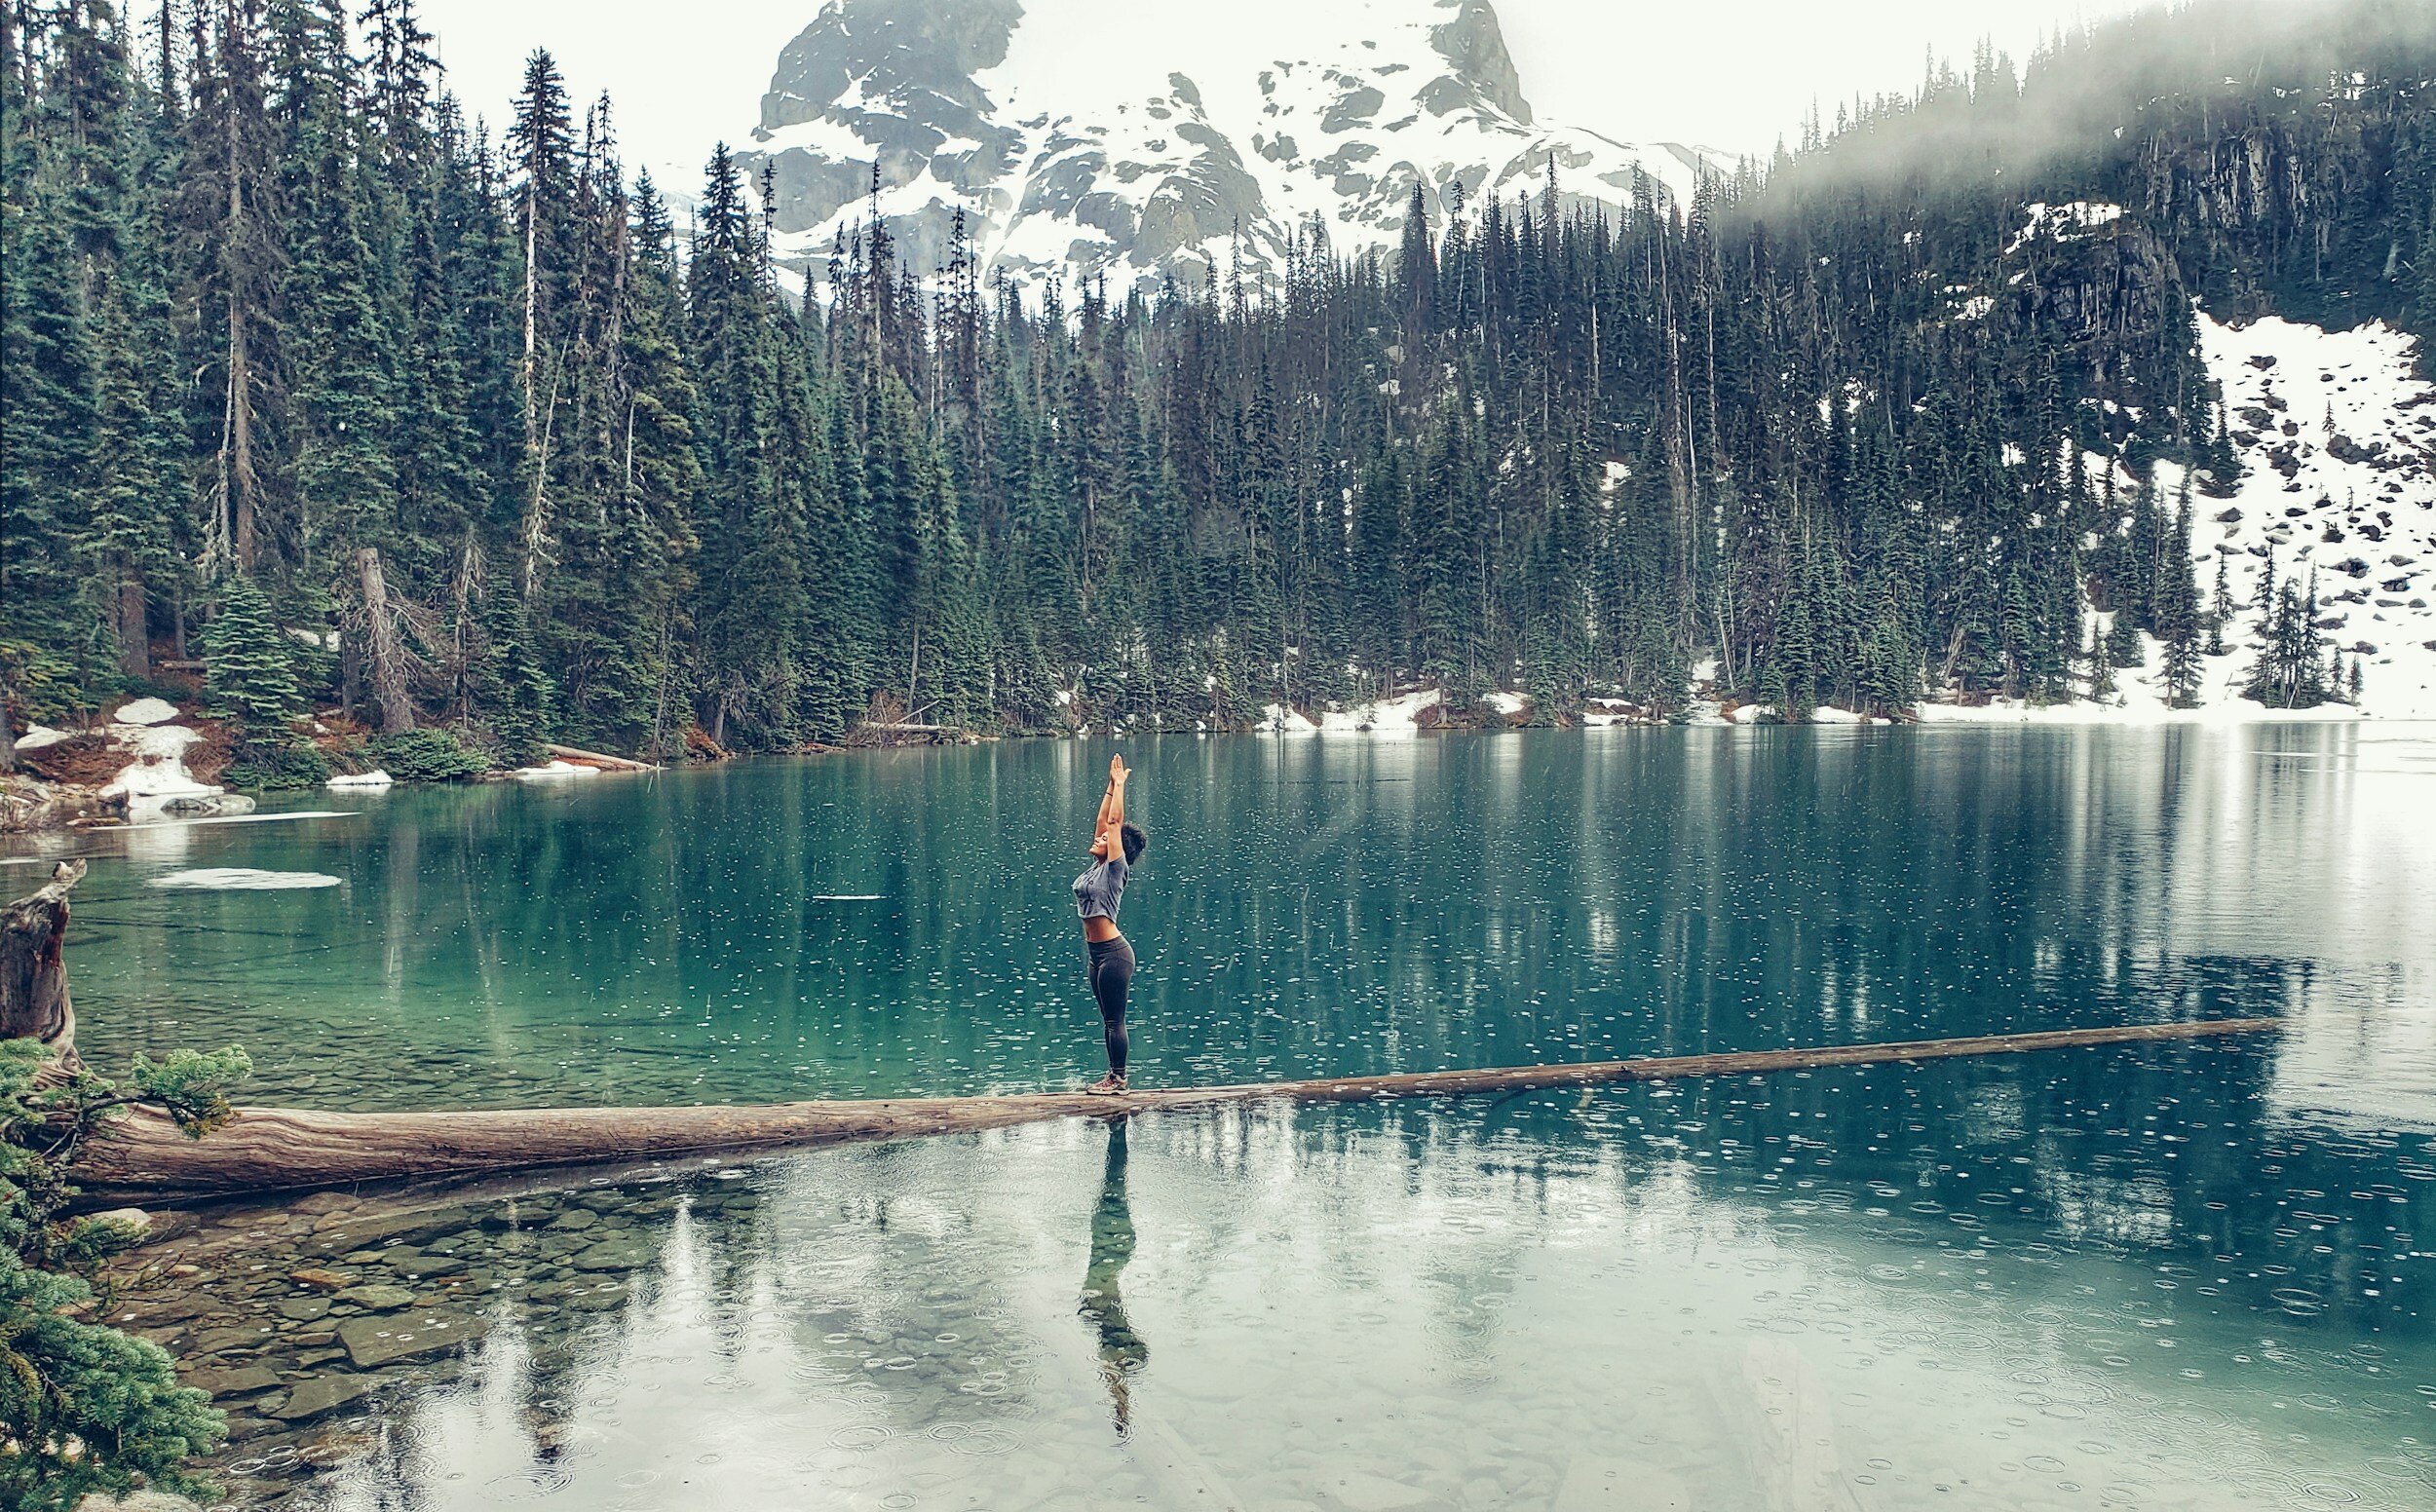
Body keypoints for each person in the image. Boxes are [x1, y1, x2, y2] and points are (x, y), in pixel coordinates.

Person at [1075, 752, 1148, 1094]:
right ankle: (1112, 1077)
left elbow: (1115, 825)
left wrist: (1121, 787)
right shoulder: (1096, 866)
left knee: (1115, 1021)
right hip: (1097, 954)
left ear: (1117, 849)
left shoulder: (1116, 868)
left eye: (1105, 839)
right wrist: (1108, 787)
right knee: (1107, 1021)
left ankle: (1120, 1081)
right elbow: (1106, 822)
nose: (1098, 837)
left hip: (1115, 955)